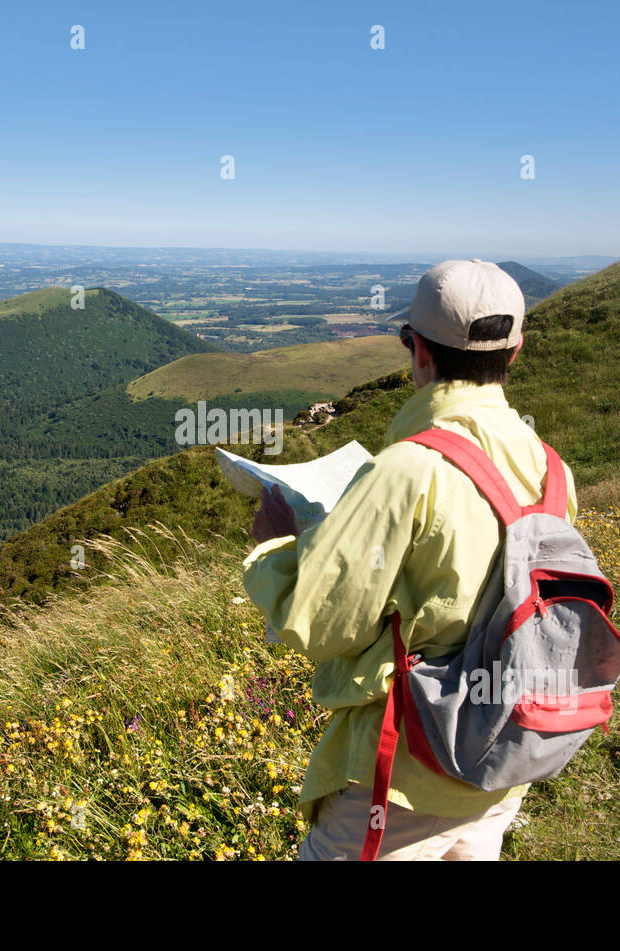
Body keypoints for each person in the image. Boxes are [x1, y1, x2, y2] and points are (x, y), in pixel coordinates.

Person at [242, 258, 577, 861]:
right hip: (502, 752)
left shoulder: (406, 469)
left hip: (409, 767)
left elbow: (315, 623)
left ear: (418, 351)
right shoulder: (552, 468)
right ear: (516, 352)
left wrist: (274, 544)